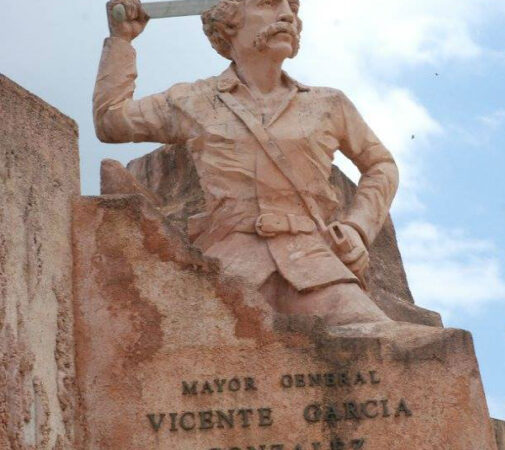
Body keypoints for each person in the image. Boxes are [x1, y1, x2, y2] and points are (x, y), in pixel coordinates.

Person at [94, 0, 398, 326]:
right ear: (228, 20)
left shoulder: (329, 104)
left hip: (314, 263)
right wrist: (122, 41)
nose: (286, 16)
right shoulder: (192, 100)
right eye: (267, 4)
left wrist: (357, 229)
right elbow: (111, 121)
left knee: (380, 343)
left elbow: (381, 165)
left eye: (292, 10)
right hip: (229, 267)